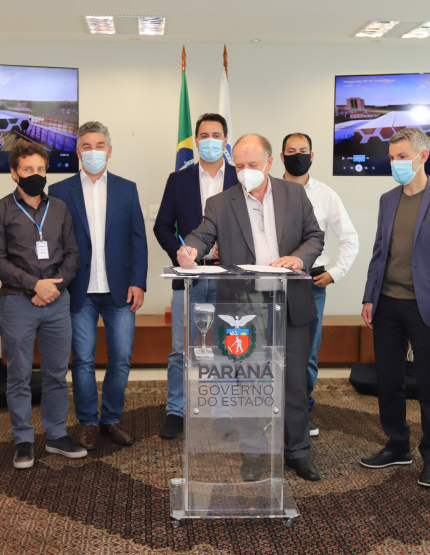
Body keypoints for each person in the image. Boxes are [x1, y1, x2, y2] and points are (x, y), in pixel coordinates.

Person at [177, 134, 325, 481]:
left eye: (253, 165)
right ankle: (254, 453)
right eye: (240, 165)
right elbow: (202, 235)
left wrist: (298, 258)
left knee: (294, 381)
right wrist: (190, 250)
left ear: (269, 162)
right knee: (249, 383)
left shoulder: (294, 193)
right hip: (243, 307)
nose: (246, 171)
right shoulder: (220, 202)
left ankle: (297, 451)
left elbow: (315, 236)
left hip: (289, 301)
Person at [358, 128, 430, 488]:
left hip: (428, 307)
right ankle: (397, 444)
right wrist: (369, 296)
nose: (396, 164)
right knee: (389, 380)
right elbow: (379, 252)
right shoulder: (387, 199)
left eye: (402, 157)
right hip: (387, 303)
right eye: (392, 158)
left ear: (423, 156)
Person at [0, 141, 86, 469]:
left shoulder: (59, 208)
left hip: (57, 301)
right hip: (18, 302)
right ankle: (23, 440)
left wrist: (54, 287)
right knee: (18, 375)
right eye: (28, 169)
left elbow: (72, 253)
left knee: (57, 374)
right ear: (14, 173)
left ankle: (56, 435)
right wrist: (35, 285)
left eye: (40, 169)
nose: (35, 175)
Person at [49, 121, 148, 451]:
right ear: (78, 152)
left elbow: (137, 240)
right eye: (87, 146)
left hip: (120, 290)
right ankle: (88, 422)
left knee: (121, 358)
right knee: (82, 360)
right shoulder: (60, 191)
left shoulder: (127, 189)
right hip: (79, 291)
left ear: (110, 150)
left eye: (100, 145)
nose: (94, 151)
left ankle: (111, 420)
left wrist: (138, 282)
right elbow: (56, 242)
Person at [153, 113, 239, 439]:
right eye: (204, 135)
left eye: (216, 135)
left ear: (226, 141)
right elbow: (162, 226)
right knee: (180, 349)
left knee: (224, 347)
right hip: (188, 278)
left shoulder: (240, 178)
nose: (210, 141)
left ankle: (222, 412)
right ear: (196, 140)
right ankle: (176, 410)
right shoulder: (179, 180)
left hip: (229, 278)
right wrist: (180, 253)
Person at [280, 132, 359, 436]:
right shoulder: (267, 191)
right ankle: (273, 409)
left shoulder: (326, 194)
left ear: (312, 156)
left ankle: (302, 411)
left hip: (310, 283)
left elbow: (349, 238)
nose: (297, 155)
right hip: (272, 283)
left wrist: (335, 272)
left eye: (303, 150)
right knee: (272, 349)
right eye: (291, 151)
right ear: (281, 157)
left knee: (307, 354)